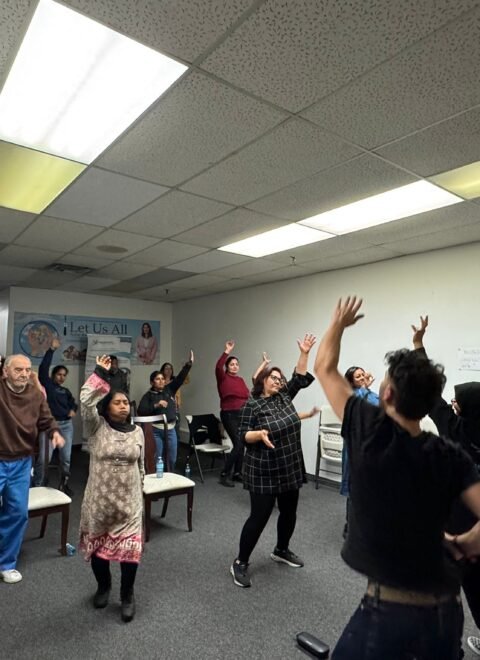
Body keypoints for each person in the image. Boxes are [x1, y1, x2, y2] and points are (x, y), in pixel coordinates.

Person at [314, 296, 480, 660]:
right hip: (447, 615)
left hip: (390, 614)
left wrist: (338, 324)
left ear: (387, 394)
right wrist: (470, 540)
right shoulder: (450, 455)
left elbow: (324, 367)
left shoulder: (369, 431)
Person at [412, 315, 480, 656]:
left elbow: (431, 392)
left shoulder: (454, 430)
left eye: (458, 402)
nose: (453, 404)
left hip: (459, 529)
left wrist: (418, 345)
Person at [230, 334, 318, 588]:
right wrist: (258, 434)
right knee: (259, 517)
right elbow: (242, 435)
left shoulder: (284, 397)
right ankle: (240, 562)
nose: (279, 381)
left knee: (289, 512)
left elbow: (299, 377)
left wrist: (304, 353)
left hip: (289, 465)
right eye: (274, 377)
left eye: (281, 379)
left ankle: (281, 549)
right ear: (263, 380)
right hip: (263, 469)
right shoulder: (252, 405)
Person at [79, 355, 144, 622]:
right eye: (117, 402)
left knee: (130, 554)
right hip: (100, 503)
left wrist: (141, 491)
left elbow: (141, 466)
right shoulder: (96, 426)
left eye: (126, 403)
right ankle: (103, 586)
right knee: (99, 550)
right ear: (106, 407)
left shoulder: (137, 431)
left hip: (129, 504)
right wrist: (99, 374)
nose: (123, 406)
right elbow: (86, 402)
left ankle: (127, 594)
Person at [0, 354, 64, 584]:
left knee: (17, 512)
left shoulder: (35, 394)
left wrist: (54, 432)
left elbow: (47, 419)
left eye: (28, 370)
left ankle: (6, 563)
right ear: (5, 372)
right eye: (18, 370)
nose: (24, 374)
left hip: (22, 462)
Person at [216, 341, 269, 487]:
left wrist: (264, 364)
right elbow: (218, 367)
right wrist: (227, 351)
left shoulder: (240, 380)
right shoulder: (223, 378)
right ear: (227, 367)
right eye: (231, 364)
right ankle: (224, 474)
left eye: (236, 364)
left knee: (242, 444)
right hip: (229, 415)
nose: (234, 366)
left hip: (242, 415)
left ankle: (237, 473)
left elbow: (250, 391)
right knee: (239, 443)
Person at [34, 337, 77, 494]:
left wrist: (73, 410)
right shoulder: (47, 385)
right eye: (59, 374)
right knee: (44, 458)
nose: (61, 377)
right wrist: (51, 350)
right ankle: (39, 485)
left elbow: (73, 403)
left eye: (64, 375)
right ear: (53, 375)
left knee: (66, 458)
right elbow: (43, 368)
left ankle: (64, 484)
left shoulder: (66, 391)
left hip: (66, 426)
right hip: (49, 426)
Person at [137, 351, 194, 471]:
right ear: (152, 382)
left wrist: (188, 365)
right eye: (157, 379)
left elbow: (180, 379)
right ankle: (159, 478)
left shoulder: (169, 389)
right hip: (155, 430)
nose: (161, 381)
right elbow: (141, 411)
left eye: (162, 379)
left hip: (171, 429)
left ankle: (170, 477)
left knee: (172, 458)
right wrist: (156, 405)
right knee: (158, 458)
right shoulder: (148, 396)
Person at [340, 366, 379, 538]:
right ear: (351, 382)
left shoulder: (372, 395)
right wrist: (364, 389)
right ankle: (350, 526)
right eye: (358, 376)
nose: (363, 377)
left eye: (363, 374)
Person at [160, 361, 187, 442]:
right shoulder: (160, 382)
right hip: (164, 411)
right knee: (165, 434)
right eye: (166, 368)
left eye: (170, 368)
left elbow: (186, 380)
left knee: (176, 433)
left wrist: (185, 368)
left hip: (175, 410)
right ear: (162, 370)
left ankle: (176, 450)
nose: (169, 370)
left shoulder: (175, 380)